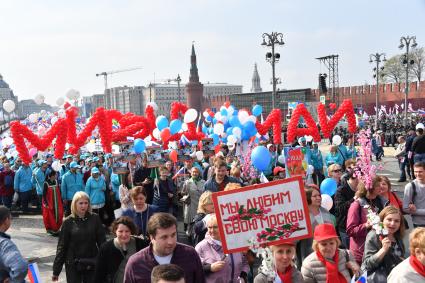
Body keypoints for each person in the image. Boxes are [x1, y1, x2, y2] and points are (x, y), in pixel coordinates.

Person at [123, 213, 205, 283]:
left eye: (173, 235)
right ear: (152, 237)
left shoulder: (190, 255)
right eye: (164, 237)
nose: (171, 241)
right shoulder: (135, 263)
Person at [52, 191, 106, 282]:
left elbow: (102, 242)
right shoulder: (68, 222)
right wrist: (56, 271)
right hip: (73, 263)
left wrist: (106, 262)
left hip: (91, 261)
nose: (83, 206)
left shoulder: (95, 218)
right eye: (80, 203)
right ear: (74, 204)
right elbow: (62, 247)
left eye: (86, 203)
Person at [195, 214, 249, 283]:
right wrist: (210, 268)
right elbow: (194, 268)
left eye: (215, 227)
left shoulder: (235, 243)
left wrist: (243, 277)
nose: (212, 230)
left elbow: (245, 263)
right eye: (209, 227)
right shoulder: (201, 247)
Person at [94, 217, 147, 283]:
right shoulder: (105, 248)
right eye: (120, 231)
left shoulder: (141, 244)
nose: (124, 235)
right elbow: (99, 274)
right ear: (115, 231)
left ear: (131, 231)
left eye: (127, 231)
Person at [346, 178, 387, 264]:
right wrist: (366, 225)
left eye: (382, 184)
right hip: (362, 252)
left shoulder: (383, 202)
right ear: (369, 187)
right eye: (377, 185)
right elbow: (350, 230)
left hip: (379, 248)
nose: (381, 187)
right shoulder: (356, 205)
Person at [361, 206, 405, 281]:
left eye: (397, 221)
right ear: (382, 220)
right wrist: (383, 250)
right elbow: (367, 265)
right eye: (389, 219)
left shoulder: (397, 236)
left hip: (395, 277)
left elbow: (399, 257)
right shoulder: (374, 235)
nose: (392, 223)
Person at [297, 188, 336, 268]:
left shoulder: (325, 211)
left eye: (319, 195)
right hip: (309, 253)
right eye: (315, 196)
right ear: (307, 198)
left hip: (327, 252)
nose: (318, 198)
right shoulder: (301, 214)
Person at [0, 206, 28, 283]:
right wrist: (13, 281)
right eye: (10, 218)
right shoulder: (4, 244)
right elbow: (20, 267)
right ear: (6, 220)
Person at [334, 169, 359, 248]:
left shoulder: (360, 189)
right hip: (345, 228)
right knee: (348, 251)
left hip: (357, 226)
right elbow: (340, 209)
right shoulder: (341, 190)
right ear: (355, 177)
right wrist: (354, 198)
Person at [182, 167, 205, 235]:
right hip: (191, 204)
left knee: (199, 221)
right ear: (191, 173)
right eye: (193, 172)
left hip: (200, 205)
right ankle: (189, 233)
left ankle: (197, 234)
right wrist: (185, 195)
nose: (195, 173)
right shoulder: (187, 182)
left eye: (196, 172)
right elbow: (183, 192)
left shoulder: (203, 182)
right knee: (190, 221)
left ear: (199, 173)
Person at [403, 161, 425, 227]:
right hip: (419, 223)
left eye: (420, 171)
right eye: (415, 171)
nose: (417, 174)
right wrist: (418, 211)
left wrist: (416, 211)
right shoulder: (410, 186)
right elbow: (405, 208)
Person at [42, 170, 64, 235]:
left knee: (59, 214)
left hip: (57, 202)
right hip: (49, 203)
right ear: (52, 176)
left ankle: (56, 228)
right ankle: (50, 229)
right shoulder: (46, 183)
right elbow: (44, 194)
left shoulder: (56, 182)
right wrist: (45, 203)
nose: (56, 176)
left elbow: (59, 192)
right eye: (55, 175)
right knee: (49, 216)